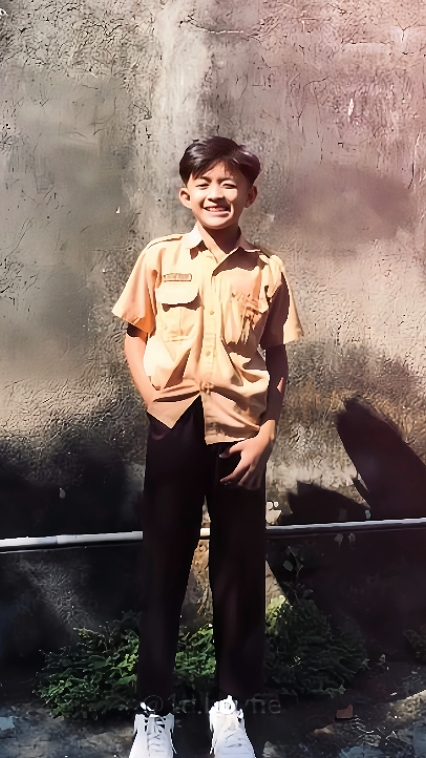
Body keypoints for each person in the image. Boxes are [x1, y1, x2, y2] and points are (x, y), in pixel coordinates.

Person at [112, 136, 303, 758]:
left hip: (242, 435)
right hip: (175, 426)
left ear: (249, 194)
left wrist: (267, 434)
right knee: (163, 567)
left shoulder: (267, 269)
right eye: (204, 183)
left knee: (239, 574)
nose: (217, 194)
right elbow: (135, 335)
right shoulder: (160, 258)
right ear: (185, 193)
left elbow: (276, 357)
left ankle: (230, 709)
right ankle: (154, 712)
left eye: (229, 184)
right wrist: (153, 402)